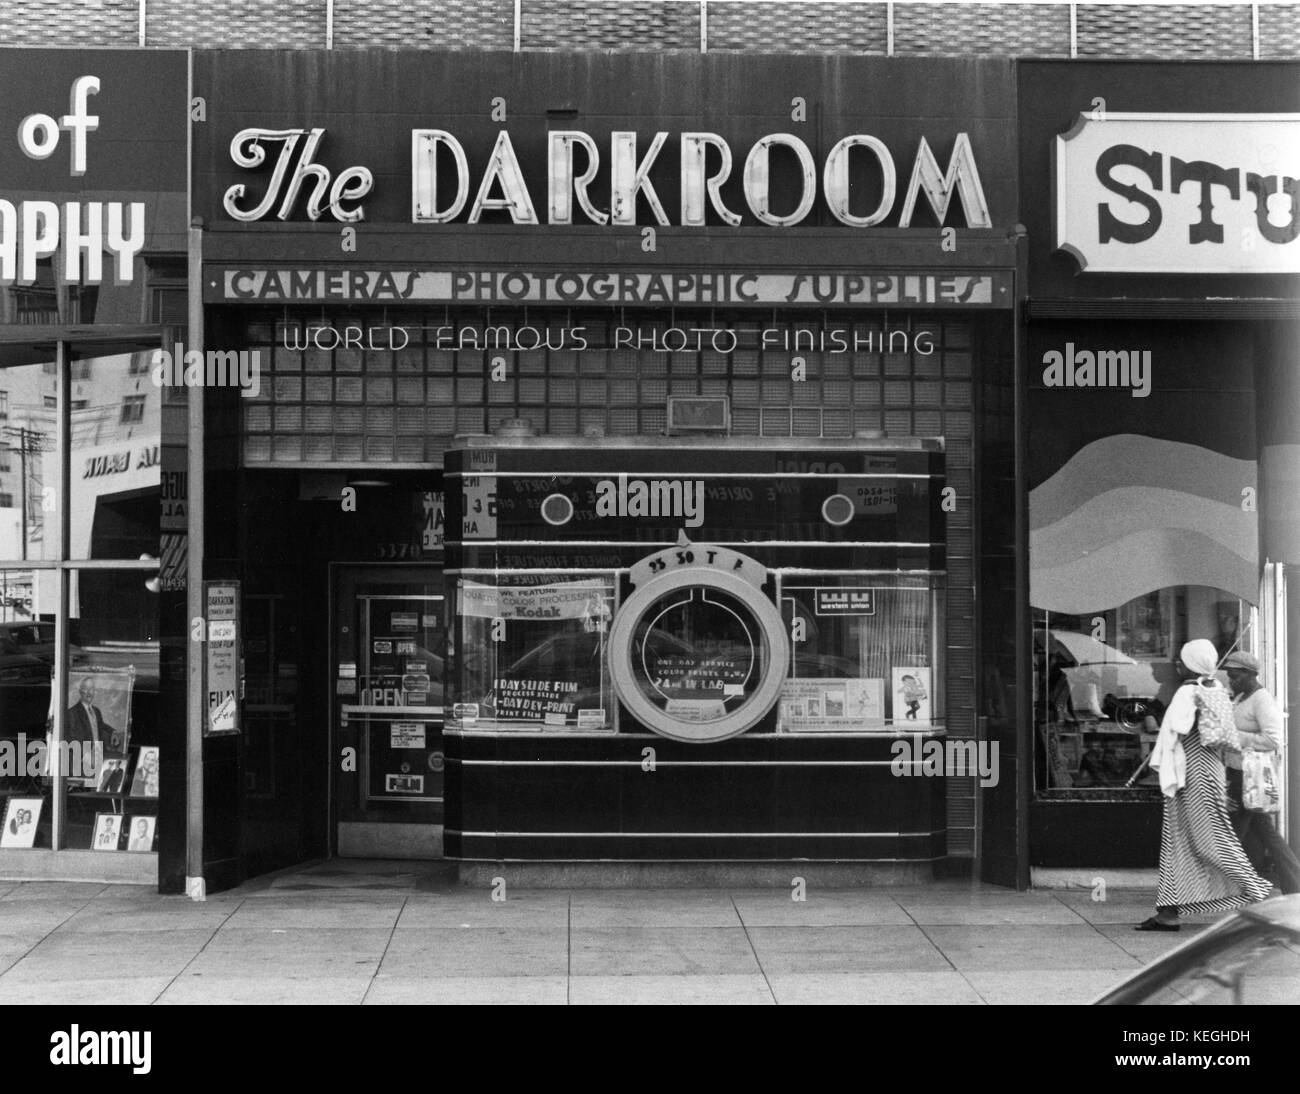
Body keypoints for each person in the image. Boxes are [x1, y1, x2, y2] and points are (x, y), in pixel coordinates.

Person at [1139, 639, 1272, 930]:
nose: (1177, 664)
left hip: (1191, 772)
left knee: (1208, 840)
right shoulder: (1217, 690)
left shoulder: (1189, 691)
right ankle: (1168, 912)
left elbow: (1177, 728)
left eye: (1181, 660)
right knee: (1180, 842)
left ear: (1191, 663)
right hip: (1205, 770)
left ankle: (1261, 896)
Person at [1224, 651, 1300, 894]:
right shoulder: (1242, 697)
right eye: (1229, 676)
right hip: (1239, 774)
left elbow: (1273, 739)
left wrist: (1235, 737)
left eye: (1235, 676)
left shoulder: (1262, 700)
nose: (1231, 681)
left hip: (1250, 777)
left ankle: (1235, 889)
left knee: (1233, 834)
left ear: (1250, 675)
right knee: (1265, 834)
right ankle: (1292, 888)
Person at [66, 678, 121, 756]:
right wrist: (85, 755)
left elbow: (101, 724)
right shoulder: (72, 712)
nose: (89, 692)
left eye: (91, 689)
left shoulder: (96, 711)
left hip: (99, 754)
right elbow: (70, 740)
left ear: (94, 692)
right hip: (83, 758)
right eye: (85, 689)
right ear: (80, 691)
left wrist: (113, 732)